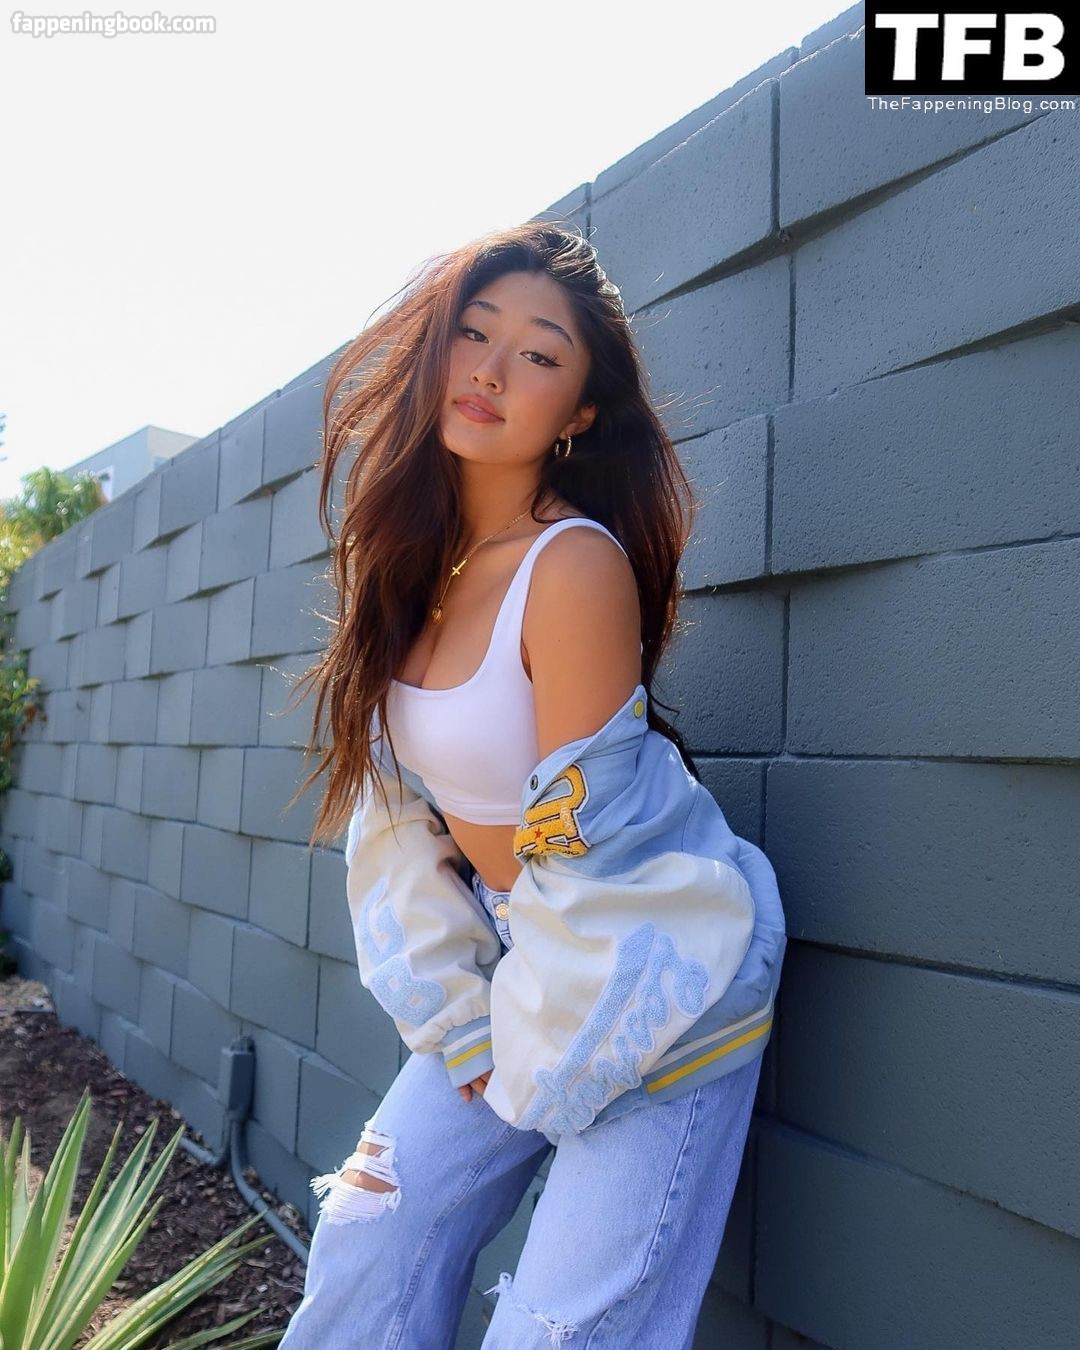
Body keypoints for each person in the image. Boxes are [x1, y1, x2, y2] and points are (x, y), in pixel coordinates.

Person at [279, 220, 787, 1348]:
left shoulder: (574, 565)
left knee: (555, 1333)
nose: (492, 371)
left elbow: (594, 856)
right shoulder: (413, 563)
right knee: (369, 1232)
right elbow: (396, 821)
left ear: (581, 412)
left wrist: (525, 1061)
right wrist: (463, 1019)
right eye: (474, 333)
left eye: (540, 354)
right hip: (521, 958)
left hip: (653, 964)